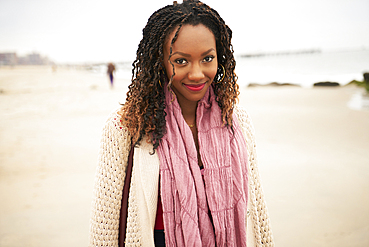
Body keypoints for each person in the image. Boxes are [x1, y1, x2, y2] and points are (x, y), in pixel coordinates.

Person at [89, 1, 274, 246]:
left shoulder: (236, 120)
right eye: (181, 61)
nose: (197, 73)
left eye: (207, 58)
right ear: (160, 62)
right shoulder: (125, 127)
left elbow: (257, 209)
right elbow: (105, 223)